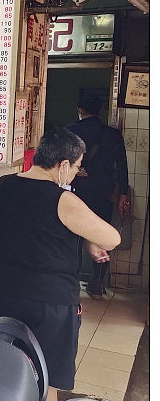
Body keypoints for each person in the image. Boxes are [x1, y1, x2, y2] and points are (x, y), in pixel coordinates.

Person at [0, 126, 120, 401]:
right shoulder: (63, 200)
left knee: (2, 368)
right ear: (63, 165)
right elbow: (112, 239)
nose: (74, 175)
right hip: (50, 306)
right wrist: (91, 238)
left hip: (3, 295)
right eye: (76, 168)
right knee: (45, 382)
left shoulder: (3, 185)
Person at [67, 95, 130, 300]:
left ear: (79, 109)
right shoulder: (112, 134)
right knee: (100, 237)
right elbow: (121, 165)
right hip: (103, 193)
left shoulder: (70, 131)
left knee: (73, 239)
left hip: (77, 192)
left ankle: (71, 283)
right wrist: (123, 193)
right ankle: (97, 284)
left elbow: (61, 161)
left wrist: (78, 171)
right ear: (100, 111)